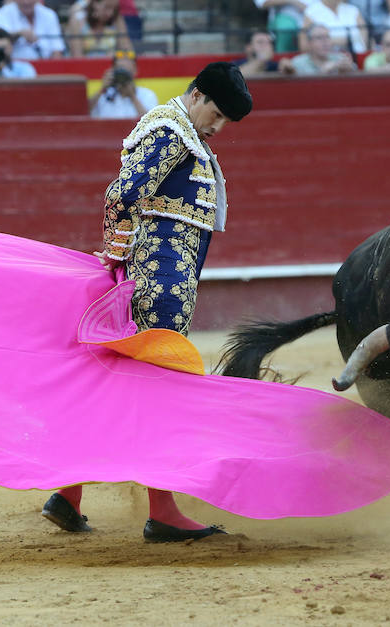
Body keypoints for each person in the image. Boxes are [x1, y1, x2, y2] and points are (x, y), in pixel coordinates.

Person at [42, 61, 253, 543]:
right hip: (159, 283)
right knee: (159, 391)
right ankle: (162, 512)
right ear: (196, 95)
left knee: (124, 386)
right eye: (216, 115)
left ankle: (68, 494)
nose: (218, 128)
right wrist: (117, 252)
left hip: (162, 277)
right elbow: (123, 194)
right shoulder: (173, 131)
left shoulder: (182, 133)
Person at [89, 49, 158, 119]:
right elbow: (84, 113)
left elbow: (151, 122)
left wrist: (132, 96)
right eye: (120, 69)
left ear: (135, 71)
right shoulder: (103, 95)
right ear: (113, 71)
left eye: (126, 71)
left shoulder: (147, 95)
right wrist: (102, 89)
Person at [0, 0, 65, 60]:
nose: (26, 2)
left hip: (45, 66)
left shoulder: (49, 14)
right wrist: (19, 34)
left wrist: (53, 70)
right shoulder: (1, 14)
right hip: (13, 69)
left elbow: (57, 49)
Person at [279, 23, 356, 75]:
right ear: (309, 43)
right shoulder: (297, 63)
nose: (325, 42)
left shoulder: (340, 59)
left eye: (327, 37)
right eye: (319, 38)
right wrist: (322, 72)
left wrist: (348, 71)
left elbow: (358, 76)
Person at [64, 0, 131, 58]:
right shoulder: (77, 20)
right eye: (107, 7)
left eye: (114, 9)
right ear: (95, 4)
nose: (110, 13)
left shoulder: (117, 21)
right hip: (85, 69)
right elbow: (77, 57)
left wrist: (117, 55)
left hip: (111, 69)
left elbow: (128, 52)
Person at [301, 0, 368, 54]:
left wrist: (332, 41)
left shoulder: (353, 10)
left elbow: (365, 40)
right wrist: (351, 39)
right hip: (327, 59)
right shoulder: (311, 12)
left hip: (357, 56)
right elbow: (304, 45)